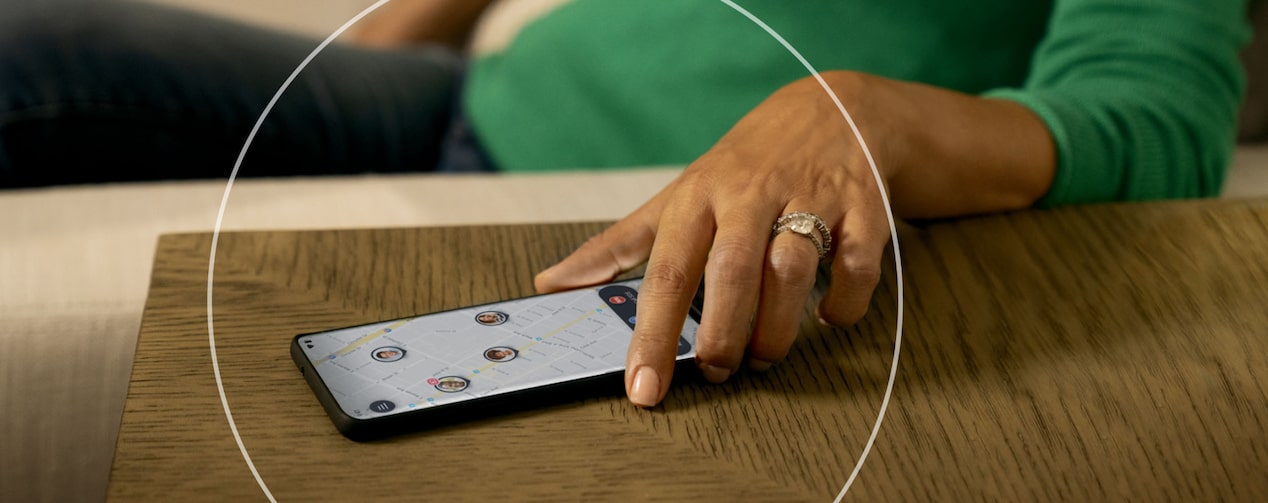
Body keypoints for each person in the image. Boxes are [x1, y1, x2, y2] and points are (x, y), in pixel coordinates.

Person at [0, 1, 1251, 408]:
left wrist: (857, 112)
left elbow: (1151, 111)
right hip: (449, 91)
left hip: (597, 203)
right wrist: (348, 61)